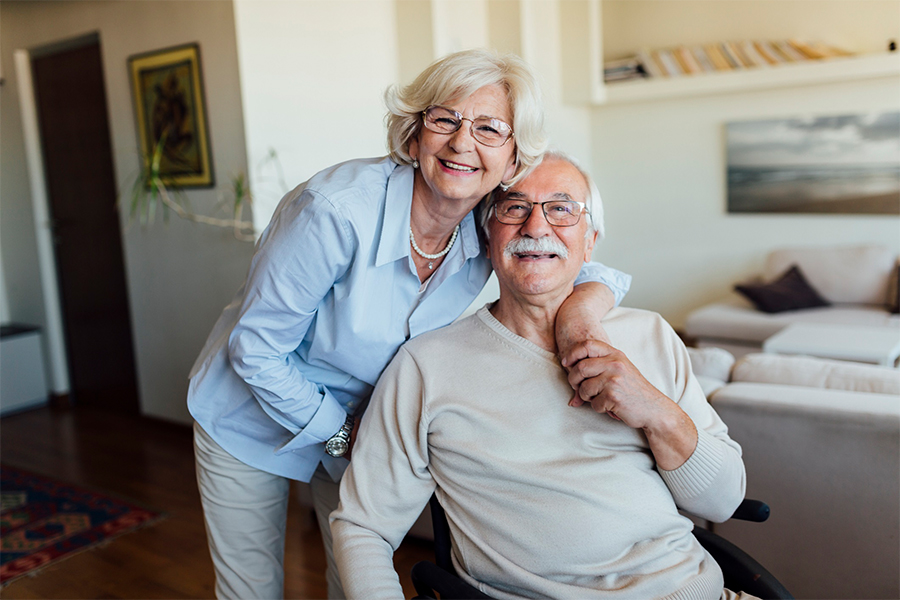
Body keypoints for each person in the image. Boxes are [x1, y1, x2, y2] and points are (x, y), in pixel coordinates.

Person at [187, 50, 631, 600]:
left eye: (491, 129)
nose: (462, 144)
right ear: (416, 131)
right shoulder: (334, 211)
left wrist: (579, 320)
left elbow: (583, 262)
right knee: (249, 589)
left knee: (353, 575)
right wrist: (345, 433)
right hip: (247, 412)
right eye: (445, 119)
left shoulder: (491, 217)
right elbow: (253, 349)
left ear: (514, 153)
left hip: (356, 424)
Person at [331, 151, 748, 600]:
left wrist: (656, 412)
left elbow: (723, 501)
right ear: (488, 234)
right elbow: (363, 527)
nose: (536, 226)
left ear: (589, 242)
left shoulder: (649, 334)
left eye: (561, 208)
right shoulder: (426, 365)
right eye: (514, 207)